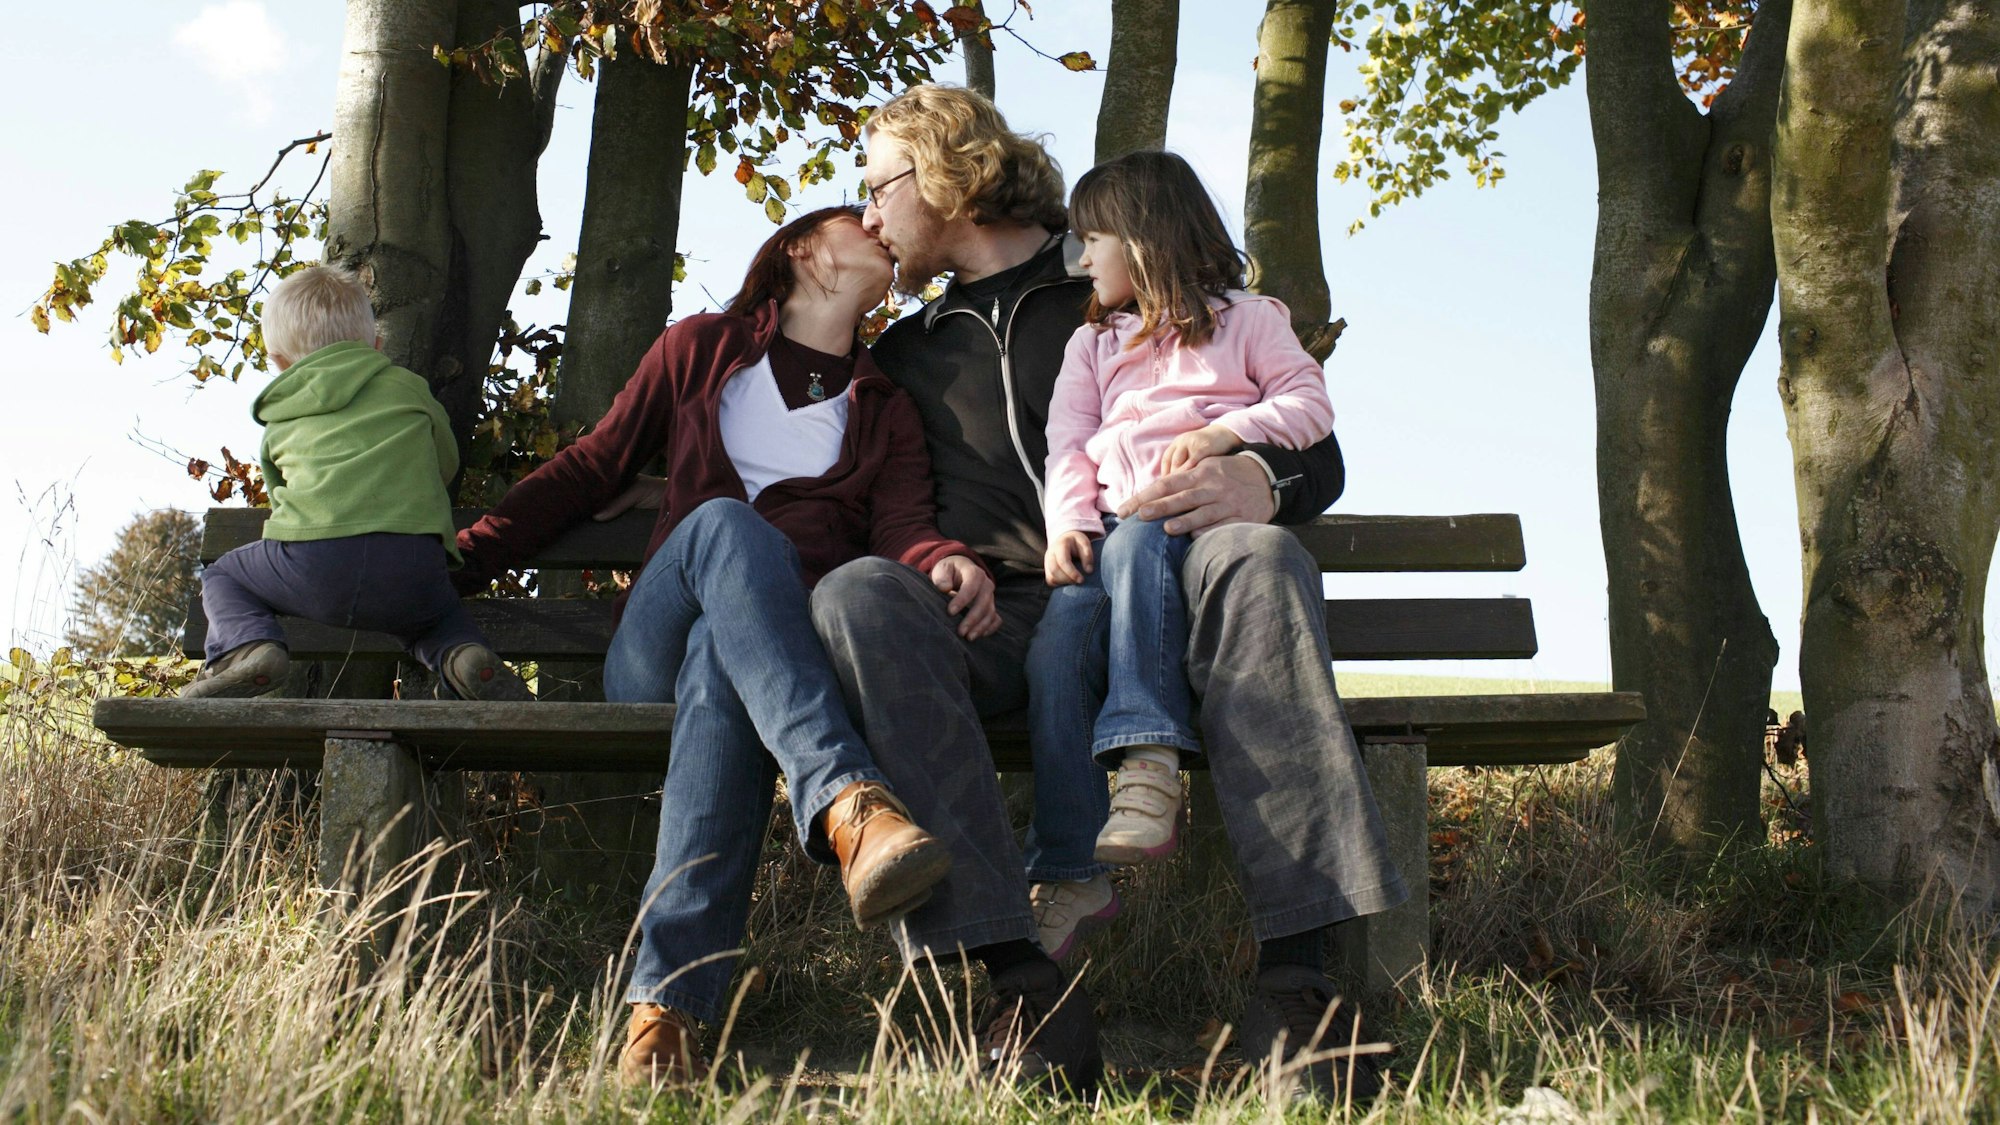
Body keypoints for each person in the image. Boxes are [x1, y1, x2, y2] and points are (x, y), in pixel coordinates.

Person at [808, 84, 1407, 1097]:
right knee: (858, 596)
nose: (866, 213)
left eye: (876, 186)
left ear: (942, 174)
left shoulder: (1117, 276)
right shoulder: (904, 354)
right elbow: (879, 505)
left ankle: (1299, 989)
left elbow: (1314, 446)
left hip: (1170, 578)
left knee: (1259, 559)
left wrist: (1261, 479)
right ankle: (1018, 983)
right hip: (1002, 615)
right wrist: (933, 558)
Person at [453, 206, 993, 1086]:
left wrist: (940, 557)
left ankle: (662, 1014)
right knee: (726, 527)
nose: (880, 226)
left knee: (723, 653)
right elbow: (592, 466)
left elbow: (902, 524)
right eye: (856, 218)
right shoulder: (702, 348)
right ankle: (848, 800)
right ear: (802, 249)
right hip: (650, 656)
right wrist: (467, 556)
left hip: (759, 669)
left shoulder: (885, 406)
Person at [1029, 151, 1335, 940]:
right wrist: (1068, 522)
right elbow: (1069, 443)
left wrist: (1229, 433)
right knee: (1055, 651)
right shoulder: (1093, 345)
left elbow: (1309, 404)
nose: (1081, 260)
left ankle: (1149, 760)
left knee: (1140, 539)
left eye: (1093, 240)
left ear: (1144, 239)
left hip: (1195, 534)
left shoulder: (1249, 321)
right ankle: (1069, 868)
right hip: (1110, 533)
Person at [182, 264, 531, 703]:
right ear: (376, 344)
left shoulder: (281, 416)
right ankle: (462, 657)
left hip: (315, 566)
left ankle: (249, 649)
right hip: (412, 565)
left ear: (279, 362)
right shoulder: (409, 390)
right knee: (437, 619)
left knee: (224, 574)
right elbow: (445, 463)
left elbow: (282, 504)